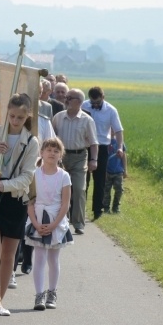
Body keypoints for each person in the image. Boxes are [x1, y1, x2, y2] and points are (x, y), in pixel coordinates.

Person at [0, 93, 39, 316]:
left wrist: (5, 186)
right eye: (11, 116)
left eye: (20, 118)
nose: (15, 121)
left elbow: (27, 177)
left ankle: (1, 299)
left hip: (14, 199)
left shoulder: (31, 142)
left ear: (27, 116)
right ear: (6, 113)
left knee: (9, 252)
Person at [26, 137, 74, 311]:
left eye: (56, 151)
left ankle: (52, 292)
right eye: (49, 150)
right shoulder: (34, 174)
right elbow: (30, 202)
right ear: (42, 152)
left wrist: (54, 224)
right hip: (38, 217)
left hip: (56, 219)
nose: (52, 153)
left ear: (60, 155)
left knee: (53, 258)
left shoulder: (64, 176)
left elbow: (65, 204)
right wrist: (36, 223)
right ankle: (39, 295)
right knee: (39, 258)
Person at [52, 88, 97, 235]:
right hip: (61, 157)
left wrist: (93, 160)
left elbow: (93, 142)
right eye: (66, 97)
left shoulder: (87, 120)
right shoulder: (58, 117)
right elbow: (51, 138)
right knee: (60, 190)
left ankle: (78, 223)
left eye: (70, 97)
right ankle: (62, 221)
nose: (66, 99)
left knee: (78, 189)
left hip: (79, 157)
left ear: (78, 102)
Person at [81, 86, 125, 220]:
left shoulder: (111, 110)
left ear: (103, 98)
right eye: (92, 103)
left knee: (100, 180)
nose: (94, 105)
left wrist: (119, 147)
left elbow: (118, 130)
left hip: (102, 147)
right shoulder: (84, 106)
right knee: (83, 180)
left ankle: (97, 210)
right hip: (85, 146)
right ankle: (80, 209)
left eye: (97, 103)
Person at [103, 136, 128, 214]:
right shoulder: (105, 141)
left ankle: (116, 207)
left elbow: (124, 156)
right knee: (106, 190)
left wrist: (125, 170)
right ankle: (106, 207)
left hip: (118, 171)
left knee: (119, 189)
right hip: (107, 171)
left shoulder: (119, 142)